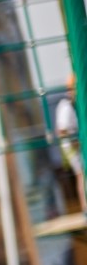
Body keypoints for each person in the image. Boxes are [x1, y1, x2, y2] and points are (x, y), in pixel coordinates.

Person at [56, 72, 87, 213]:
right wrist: (75, 142)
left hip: (75, 144)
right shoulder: (65, 106)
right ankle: (85, 207)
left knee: (81, 175)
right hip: (71, 146)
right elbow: (61, 131)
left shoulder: (74, 106)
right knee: (81, 174)